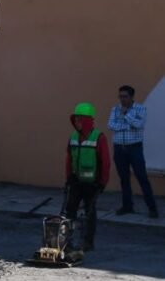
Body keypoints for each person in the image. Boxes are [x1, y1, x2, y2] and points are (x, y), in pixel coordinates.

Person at [62, 102, 110, 252]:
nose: (77, 123)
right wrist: (69, 177)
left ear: (87, 120)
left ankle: (88, 242)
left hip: (92, 183)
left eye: (80, 119)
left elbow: (105, 162)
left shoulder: (99, 137)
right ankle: (66, 241)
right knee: (70, 212)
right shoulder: (73, 137)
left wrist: (102, 182)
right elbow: (69, 159)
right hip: (76, 182)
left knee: (89, 213)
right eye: (75, 120)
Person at [108, 85, 159, 218]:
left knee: (142, 177)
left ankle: (152, 208)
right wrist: (127, 125)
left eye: (125, 96)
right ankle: (127, 206)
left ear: (131, 97)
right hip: (119, 148)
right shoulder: (115, 109)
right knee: (124, 179)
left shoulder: (140, 109)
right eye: (120, 96)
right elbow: (111, 125)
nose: (122, 99)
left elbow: (139, 125)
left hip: (134, 148)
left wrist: (126, 115)